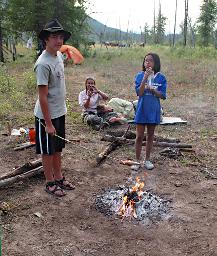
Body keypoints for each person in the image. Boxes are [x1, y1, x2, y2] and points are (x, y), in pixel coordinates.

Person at [34, 19, 74, 197]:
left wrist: (64, 51)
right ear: (46, 39)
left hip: (60, 111)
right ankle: (49, 182)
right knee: (48, 151)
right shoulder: (42, 64)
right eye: (54, 37)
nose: (59, 41)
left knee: (58, 148)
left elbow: (61, 51)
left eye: (61, 37)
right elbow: (42, 97)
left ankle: (58, 177)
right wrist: (48, 124)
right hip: (46, 117)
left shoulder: (57, 55)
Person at [132, 53, 167, 171]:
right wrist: (144, 79)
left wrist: (154, 91)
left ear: (156, 63)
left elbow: (163, 96)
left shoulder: (161, 77)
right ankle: (137, 161)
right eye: (145, 60)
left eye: (150, 61)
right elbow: (139, 93)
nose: (147, 63)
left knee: (150, 135)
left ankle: (147, 160)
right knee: (139, 136)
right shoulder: (139, 75)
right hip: (142, 109)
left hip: (153, 110)